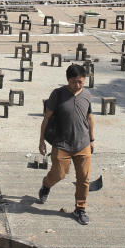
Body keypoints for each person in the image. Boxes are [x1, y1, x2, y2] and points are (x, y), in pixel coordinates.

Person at [36, 63, 96, 225]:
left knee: (84, 178)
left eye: (80, 82)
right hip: (62, 144)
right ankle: (46, 185)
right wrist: (41, 141)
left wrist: (91, 139)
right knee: (59, 174)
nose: (77, 85)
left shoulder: (87, 95)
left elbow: (89, 118)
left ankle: (80, 209)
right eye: (74, 81)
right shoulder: (58, 94)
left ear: (85, 80)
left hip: (82, 143)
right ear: (67, 80)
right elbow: (47, 118)